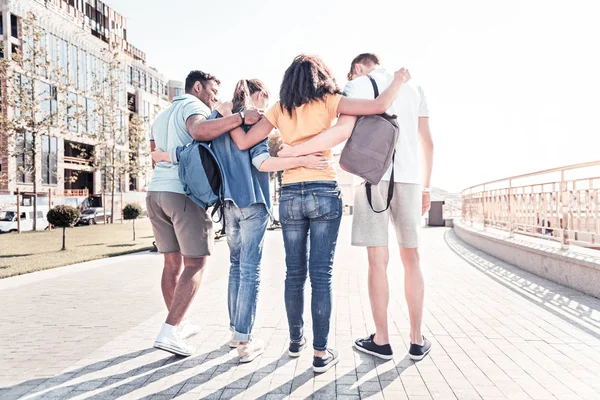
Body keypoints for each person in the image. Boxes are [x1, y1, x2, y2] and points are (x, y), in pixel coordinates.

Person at [221, 54, 411, 372]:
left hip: (292, 195)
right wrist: (399, 80)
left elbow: (242, 143)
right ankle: (320, 354)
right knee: (320, 275)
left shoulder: (280, 107)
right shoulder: (330, 100)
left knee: (294, 274)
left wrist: (230, 117)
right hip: (324, 190)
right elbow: (379, 106)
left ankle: (296, 342)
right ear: (321, 76)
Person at [151, 79, 329, 363]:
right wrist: (302, 160)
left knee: (236, 268)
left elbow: (194, 150)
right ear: (255, 95)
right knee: (250, 271)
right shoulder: (250, 123)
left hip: (228, 206)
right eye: (264, 97)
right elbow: (261, 163)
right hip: (253, 203)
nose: (265, 106)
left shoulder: (217, 120)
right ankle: (245, 340)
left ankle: (236, 332)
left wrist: (164, 155)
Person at [278, 53, 435, 361]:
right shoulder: (415, 88)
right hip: (410, 180)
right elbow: (427, 142)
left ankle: (382, 340)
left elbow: (342, 131)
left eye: (350, 74)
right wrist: (426, 187)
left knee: (378, 261)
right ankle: (417, 341)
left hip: (371, 179)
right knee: (411, 258)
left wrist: (296, 151)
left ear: (359, 67)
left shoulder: (358, 85)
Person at [147, 70, 262, 357]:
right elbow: (199, 131)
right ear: (197, 86)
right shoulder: (193, 105)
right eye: (212, 90)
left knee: (171, 264)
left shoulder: (161, 116)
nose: (214, 96)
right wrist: (238, 118)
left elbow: (153, 155)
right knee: (195, 263)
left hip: (156, 193)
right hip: (182, 195)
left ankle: (179, 324)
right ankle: (170, 330)